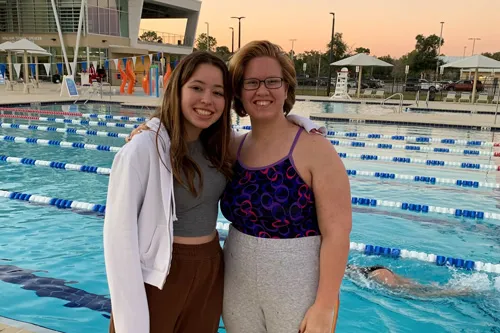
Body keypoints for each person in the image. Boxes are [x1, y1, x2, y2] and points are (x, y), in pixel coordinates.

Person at [219, 40, 352, 333]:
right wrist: (150, 128)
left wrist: (325, 305)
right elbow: (183, 134)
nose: (262, 90)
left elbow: (338, 233)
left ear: (287, 88)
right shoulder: (233, 147)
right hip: (237, 284)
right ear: (238, 92)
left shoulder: (314, 148)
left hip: (297, 286)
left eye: (272, 81)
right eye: (251, 82)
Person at [103, 51, 234, 333]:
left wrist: (299, 122)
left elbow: (267, 139)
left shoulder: (218, 145)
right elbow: (118, 237)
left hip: (210, 267)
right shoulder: (143, 149)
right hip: (160, 272)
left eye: (218, 92)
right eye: (197, 88)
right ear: (178, 90)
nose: (207, 100)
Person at [345, 264, 473, 297]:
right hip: (378, 270)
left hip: (376, 275)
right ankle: (456, 290)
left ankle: (456, 292)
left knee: (413, 294)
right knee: (419, 287)